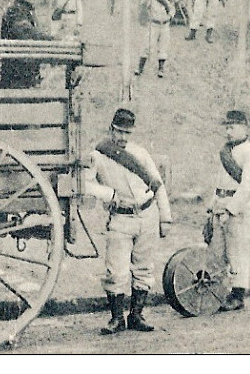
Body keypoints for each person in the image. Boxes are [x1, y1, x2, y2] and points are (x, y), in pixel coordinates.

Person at [83, 107, 172, 334]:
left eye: (127, 133)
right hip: (121, 217)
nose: (122, 138)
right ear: (111, 129)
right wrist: (109, 195)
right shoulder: (98, 155)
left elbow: (157, 184)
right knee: (116, 272)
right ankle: (116, 319)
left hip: (147, 214)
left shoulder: (140, 153)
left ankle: (136, 316)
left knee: (144, 268)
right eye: (119, 132)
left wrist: (165, 217)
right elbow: (86, 184)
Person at [208, 109, 250, 312]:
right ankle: (218, 292)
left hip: (239, 208)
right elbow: (219, 182)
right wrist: (212, 206)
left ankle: (238, 294)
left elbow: (249, 187)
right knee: (216, 251)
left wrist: (230, 209)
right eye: (227, 127)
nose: (229, 131)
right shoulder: (225, 151)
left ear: (245, 128)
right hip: (221, 203)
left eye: (233, 127)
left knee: (237, 251)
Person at [0, 0, 55, 89]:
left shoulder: (29, 12)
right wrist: (53, 39)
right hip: (15, 78)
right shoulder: (15, 10)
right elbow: (25, 31)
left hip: (27, 76)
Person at [136, 0, 177, 78]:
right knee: (147, 46)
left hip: (165, 25)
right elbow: (142, 4)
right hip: (153, 25)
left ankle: (161, 69)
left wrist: (171, 15)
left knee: (163, 48)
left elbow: (173, 8)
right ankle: (140, 68)